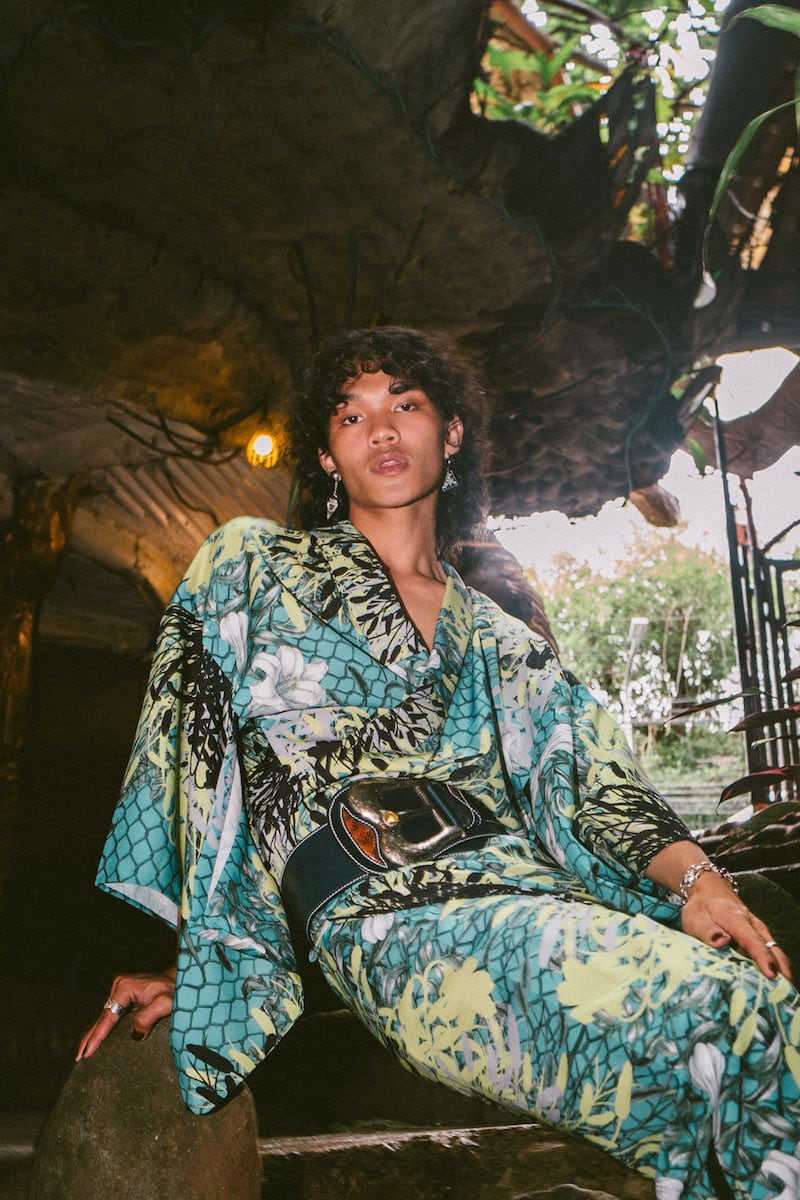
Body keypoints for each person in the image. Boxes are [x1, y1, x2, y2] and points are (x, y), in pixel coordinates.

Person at [77, 326, 800, 1198]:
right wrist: (199, 963)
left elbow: (593, 779)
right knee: (729, 1017)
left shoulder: (497, 635)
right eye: (351, 415)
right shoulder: (254, 566)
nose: (380, 429)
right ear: (327, 455)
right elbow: (203, 774)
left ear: (451, 433)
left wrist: (701, 881)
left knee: (763, 1042)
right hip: (396, 923)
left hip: (531, 892)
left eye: (405, 404)